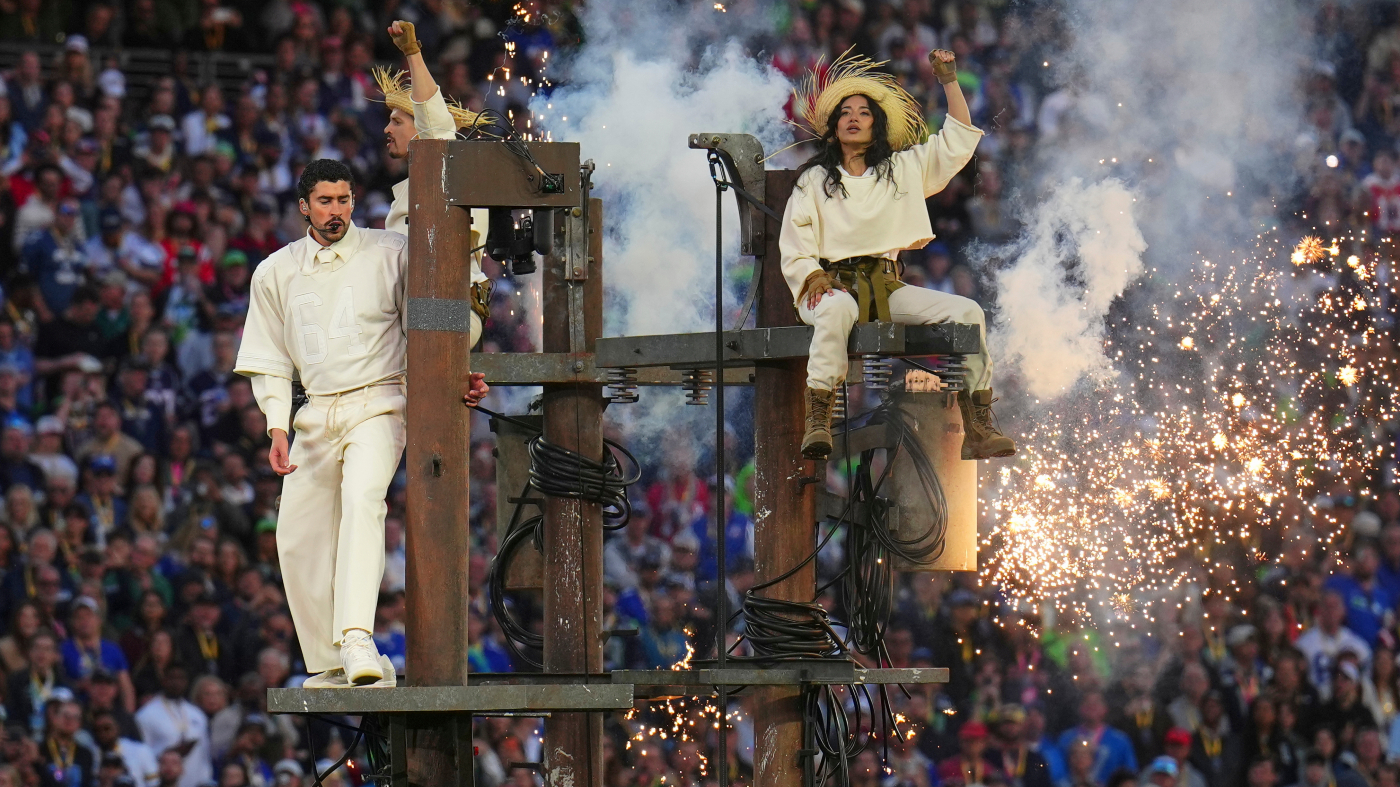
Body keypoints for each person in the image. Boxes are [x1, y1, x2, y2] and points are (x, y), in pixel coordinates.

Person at [780, 48, 1014, 460]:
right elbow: (795, 244)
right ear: (834, 128)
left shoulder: (902, 169)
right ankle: (818, 420)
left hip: (886, 286)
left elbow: (956, 142)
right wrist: (811, 277)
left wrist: (948, 81)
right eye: (845, 112)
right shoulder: (814, 180)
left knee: (970, 313)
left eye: (864, 112)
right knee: (834, 311)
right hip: (831, 287)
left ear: (877, 125)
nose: (854, 117)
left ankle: (977, 427)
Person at [234, 160, 410, 687]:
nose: (337, 211)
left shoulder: (390, 251)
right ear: (304, 206)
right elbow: (268, 357)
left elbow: (430, 327)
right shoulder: (275, 270)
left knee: (362, 499)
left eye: (345, 199)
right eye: (326, 201)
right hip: (314, 410)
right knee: (295, 535)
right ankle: (331, 657)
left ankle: (358, 635)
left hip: (381, 401)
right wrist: (277, 425)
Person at [378, 20, 495, 362]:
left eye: (397, 121)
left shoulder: (451, 171)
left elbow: (438, 128)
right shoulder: (417, 185)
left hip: (449, 311)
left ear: (421, 129)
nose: (386, 128)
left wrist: (412, 54)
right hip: (419, 312)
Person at [133, 665, 211, 787]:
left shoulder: (197, 714)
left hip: (195, 781)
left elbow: (204, 756)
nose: (177, 683)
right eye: (172, 678)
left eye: (181, 678)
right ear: (163, 681)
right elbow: (142, 755)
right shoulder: (146, 714)